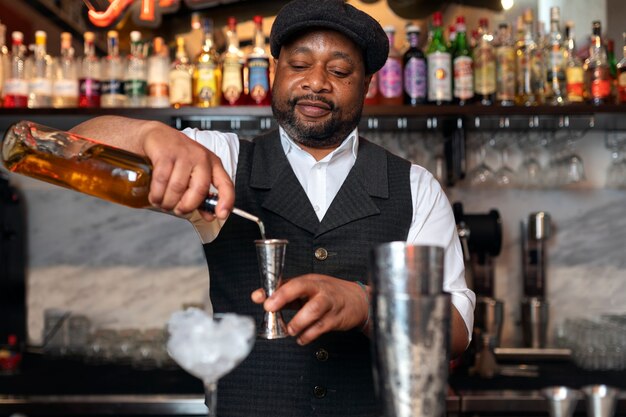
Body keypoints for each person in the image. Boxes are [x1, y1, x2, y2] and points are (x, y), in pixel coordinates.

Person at [71, 0, 475, 415]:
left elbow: (457, 333)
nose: (316, 83)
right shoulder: (221, 160)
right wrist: (148, 135)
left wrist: (368, 305)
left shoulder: (414, 187)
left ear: (368, 83)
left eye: (338, 71)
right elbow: (76, 147)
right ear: (275, 69)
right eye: (299, 64)